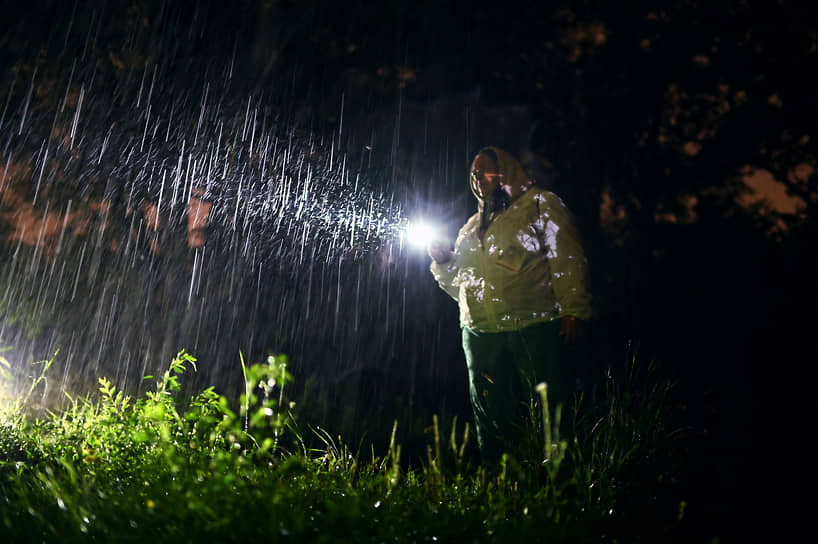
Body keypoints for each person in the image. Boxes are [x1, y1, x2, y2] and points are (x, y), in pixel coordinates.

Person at [428, 146, 592, 464]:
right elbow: (463, 287)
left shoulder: (540, 205)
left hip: (533, 325)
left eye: (485, 171)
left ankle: (559, 482)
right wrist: (446, 263)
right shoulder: (471, 227)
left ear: (506, 172)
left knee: (548, 410)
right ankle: (502, 484)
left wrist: (574, 307)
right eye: (473, 174)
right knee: (491, 415)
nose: (478, 179)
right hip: (481, 333)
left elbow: (567, 256)